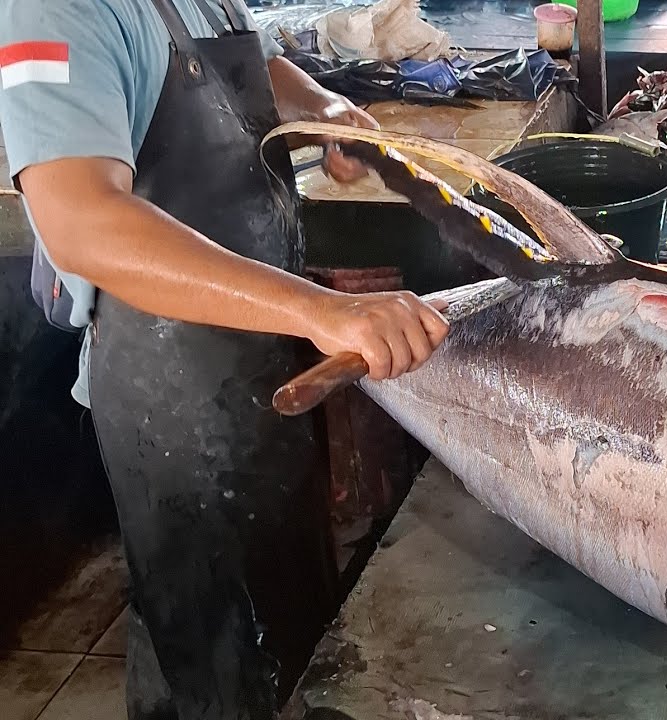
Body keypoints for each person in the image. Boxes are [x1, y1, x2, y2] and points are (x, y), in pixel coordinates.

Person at [0, 0, 449, 717]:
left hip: (255, 365)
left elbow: (247, 61)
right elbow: (82, 221)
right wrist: (320, 308)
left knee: (275, 628)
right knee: (214, 648)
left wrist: (319, 104)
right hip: (169, 395)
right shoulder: (49, 13)